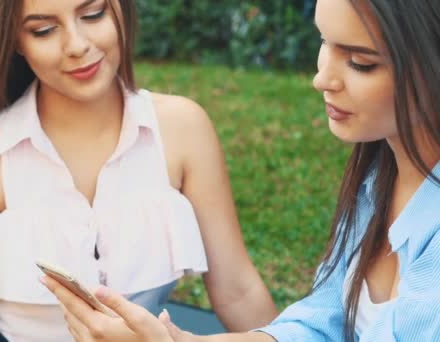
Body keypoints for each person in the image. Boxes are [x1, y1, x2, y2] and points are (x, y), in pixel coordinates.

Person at [43, 0, 440, 340]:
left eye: (360, 63)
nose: (321, 79)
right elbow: (323, 321)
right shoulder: (380, 179)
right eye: (324, 41)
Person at [0, 0, 277, 340]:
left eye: (93, 14)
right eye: (43, 30)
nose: (77, 45)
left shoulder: (184, 128)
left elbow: (238, 291)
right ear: (15, 41)